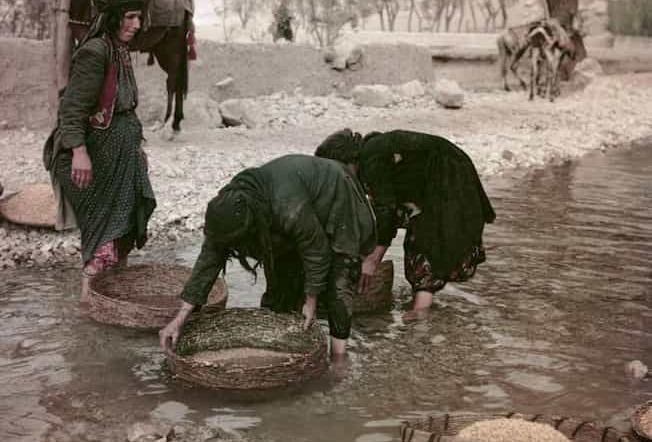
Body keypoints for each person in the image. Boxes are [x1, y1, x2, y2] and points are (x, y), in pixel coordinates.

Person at [159, 154, 376, 359]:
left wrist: (311, 300)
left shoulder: (288, 207)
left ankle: (339, 360)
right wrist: (181, 318)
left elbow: (316, 249)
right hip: (293, 212)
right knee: (280, 292)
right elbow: (208, 261)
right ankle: (284, 346)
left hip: (337, 195)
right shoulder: (228, 208)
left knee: (339, 283)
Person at [43, 0, 156, 303]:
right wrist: (79, 152)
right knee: (103, 240)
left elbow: (124, 107)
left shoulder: (118, 49)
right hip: (93, 157)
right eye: (131, 17)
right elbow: (72, 109)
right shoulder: (95, 52)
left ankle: (112, 309)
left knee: (121, 235)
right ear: (113, 17)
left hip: (121, 154)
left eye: (139, 17)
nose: (136, 25)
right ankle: (89, 310)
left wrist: (137, 149)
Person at [315, 129, 495, 317]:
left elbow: (387, 211)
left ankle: (418, 320)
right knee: (418, 239)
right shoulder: (374, 152)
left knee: (424, 247)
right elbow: (384, 211)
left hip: (450, 183)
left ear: (345, 161)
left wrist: (372, 261)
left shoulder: (372, 157)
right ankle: (421, 311)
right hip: (445, 179)